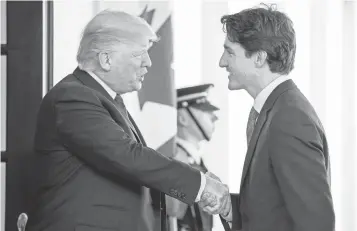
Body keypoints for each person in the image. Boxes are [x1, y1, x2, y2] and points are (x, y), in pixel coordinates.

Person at [26, 10, 230, 231]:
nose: (148, 63)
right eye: (139, 53)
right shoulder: (73, 97)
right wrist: (201, 185)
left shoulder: (106, 99)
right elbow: (127, 155)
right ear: (106, 59)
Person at [212, 4, 335, 231]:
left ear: (259, 58)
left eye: (230, 52)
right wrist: (228, 206)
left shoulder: (290, 118)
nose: (222, 61)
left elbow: (316, 223)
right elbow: (274, 210)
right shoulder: (276, 109)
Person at [166, 84, 219, 231]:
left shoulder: (194, 160)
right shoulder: (176, 158)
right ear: (182, 118)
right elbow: (174, 215)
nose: (215, 117)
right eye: (205, 110)